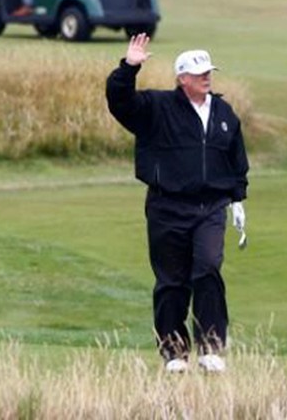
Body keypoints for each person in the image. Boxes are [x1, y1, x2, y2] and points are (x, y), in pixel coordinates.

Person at [106, 34, 249, 374]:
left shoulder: (224, 113)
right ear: (182, 78)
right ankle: (174, 352)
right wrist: (128, 67)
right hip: (166, 207)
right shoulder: (157, 108)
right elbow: (119, 102)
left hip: (210, 206)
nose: (206, 77)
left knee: (208, 267)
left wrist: (238, 199)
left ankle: (211, 347)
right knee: (171, 281)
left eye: (208, 71)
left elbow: (236, 159)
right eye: (199, 73)